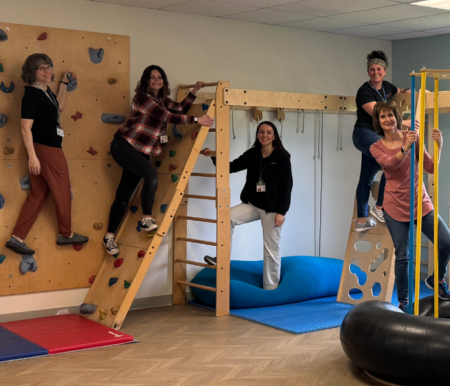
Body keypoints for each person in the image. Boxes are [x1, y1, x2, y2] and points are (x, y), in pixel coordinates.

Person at [103, 66, 212, 256]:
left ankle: (109, 237)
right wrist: (197, 119)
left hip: (141, 152)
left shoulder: (162, 101)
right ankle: (146, 218)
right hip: (124, 146)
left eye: (159, 77)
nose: (156, 80)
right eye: (152, 77)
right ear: (146, 80)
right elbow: (166, 116)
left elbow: (178, 109)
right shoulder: (142, 98)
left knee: (124, 194)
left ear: (163, 81)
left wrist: (194, 92)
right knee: (151, 174)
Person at [370, 101, 450, 312]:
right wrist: (405, 147)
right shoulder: (376, 147)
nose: (388, 119)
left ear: (396, 117)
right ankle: (404, 302)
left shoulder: (412, 137)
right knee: (403, 255)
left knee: (447, 243)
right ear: (378, 122)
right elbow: (390, 165)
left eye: (391, 115)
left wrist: (440, 146)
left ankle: (438, 279)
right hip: (395, 206)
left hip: (420, 202)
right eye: (383, 117)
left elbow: (431, 167)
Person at [5, 54, 88, 255]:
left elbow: (59, 106)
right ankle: (65, 234)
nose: (47, 71)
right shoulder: (32, 95)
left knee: (39, 194)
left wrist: (63, 83)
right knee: (62, 189)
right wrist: (33, 157)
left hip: (43, 149)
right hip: (46, 149)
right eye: (42, 68)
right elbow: (25, 128)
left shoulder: (44, 91)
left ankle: (17, 237)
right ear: (32, 72)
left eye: (49, 66)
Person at [199, 121, 292, 290]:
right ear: (257, 135)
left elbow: (287, 186)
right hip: (253, 204)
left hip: (272, 209)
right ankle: (222, 258)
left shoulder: (282, 157)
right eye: (262, 132)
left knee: (271, 248)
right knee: (226, 216)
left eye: (269, 132)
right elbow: (230, 167)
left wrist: (282, 212)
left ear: (274, 136)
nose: (265, 135)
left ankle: (270, 288)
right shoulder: (253, 153)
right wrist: (213, 155)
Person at [352, 50, 407, 232]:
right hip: (365, 133)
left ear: (384, 71)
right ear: (368, 72)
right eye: (372, 70)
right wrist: (403, 123)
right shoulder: (364, 91)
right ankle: (380, 207)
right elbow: (378, 114)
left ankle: (361, 220)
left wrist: (412, 91)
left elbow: (400, 90)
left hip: (375, 136)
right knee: (391, 163)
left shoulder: (387, 88)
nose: (376, 73)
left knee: (366, 177)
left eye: (379, 69)